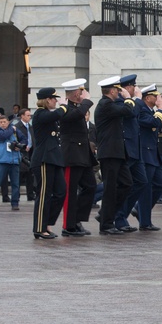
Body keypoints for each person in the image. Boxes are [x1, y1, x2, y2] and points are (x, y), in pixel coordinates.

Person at [94, 76, 134, 235]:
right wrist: (129, 98)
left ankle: (105, 215)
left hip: (117, 152)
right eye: (117, 90)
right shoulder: (105, 104)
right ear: (111, 91)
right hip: (109, 153)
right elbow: (127, 111)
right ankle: (106, 224)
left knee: (127, 184)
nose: (119, 92)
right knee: (110, 189)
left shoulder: (109, 104)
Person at [59, 79, 98, 237]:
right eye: (81, 92)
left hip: (83, 155)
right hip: (72, 155)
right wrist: (87, 101)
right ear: (76, 93)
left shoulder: (76, 108)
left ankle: (77, 219)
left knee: (90, 186)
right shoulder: (66, 109)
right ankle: (68, 225)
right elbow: (78, 114)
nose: (83, 94)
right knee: (69, 191)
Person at [30, 87, 69, 239]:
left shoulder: (48, 115)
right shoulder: (40, 114)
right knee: (44, 194)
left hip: (53, 159)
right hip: (44, 159)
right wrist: (65, 105)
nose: (56, 101)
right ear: (47, 100)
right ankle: (39, 228)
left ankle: (47, 222)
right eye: (54, 99)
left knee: (60, 192)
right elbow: (58, 113)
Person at [114, 74, 148, 233]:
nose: (136, 89)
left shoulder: (130, 102)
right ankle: (118, 218)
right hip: (127, 149)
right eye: (134, 86)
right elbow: (132, 113)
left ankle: (120, 214)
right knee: (124, 185)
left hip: (136, 149)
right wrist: (139, 99)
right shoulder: (121, 102)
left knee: (141, 182)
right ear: (127, 88)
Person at [135, 84, 162, 230]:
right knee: (146, 189)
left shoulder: (150, 110)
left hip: (154, 153)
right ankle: (145, 222)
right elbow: (152, 122)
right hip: (145, 153)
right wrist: (160, 109)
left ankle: (138, 209)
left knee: (160, 185)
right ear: (147, 98)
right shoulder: (141, 110)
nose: (158, 98)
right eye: (155, 96)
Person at [0, 114, 24, 211]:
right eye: (1, 122)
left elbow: (24, 138)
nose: (3, 124)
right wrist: (12, 128)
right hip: (2, 161)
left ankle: (15, 203)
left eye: (5, 122)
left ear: (8, 122)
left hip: (14, 160)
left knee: (15, 184)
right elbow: (4, 136)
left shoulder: (14, 130)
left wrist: (19, 146)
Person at [12, 108, 35, 201]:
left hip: (31, 153)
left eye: (30, 115)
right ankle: (16, 195)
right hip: (21, 154)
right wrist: (23, 146)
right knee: (19, 175)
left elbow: (33, 138)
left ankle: (30, 194)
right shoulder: (17, 127)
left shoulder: (31, 127)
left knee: (30, 176)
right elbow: (15, 140)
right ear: (22, 116)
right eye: (28, 115)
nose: (29, 117)